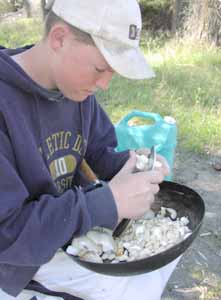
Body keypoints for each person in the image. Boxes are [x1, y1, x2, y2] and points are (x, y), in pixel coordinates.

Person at [0, 0, 181, 299]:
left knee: (167, 246)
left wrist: (137, 166)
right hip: (17, 261)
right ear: (59, 39)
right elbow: (8, 232)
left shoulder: (75, 92)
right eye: (100, 68)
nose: (105, 84)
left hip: (64, 229)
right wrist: (109, 203)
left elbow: (102, 153)